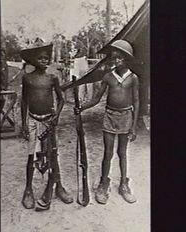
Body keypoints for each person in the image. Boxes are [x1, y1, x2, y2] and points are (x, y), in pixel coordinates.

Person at [75, 40, 139, 204]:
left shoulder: (133, 78)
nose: (116, 61)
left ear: (126, 60)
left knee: (122, 153)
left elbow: (137, 101)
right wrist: (82, 107)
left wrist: (133, 127)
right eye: (114, 58)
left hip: (126, 117)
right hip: (110, 117)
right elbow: (96, 99)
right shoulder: (108, 77)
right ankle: (104, 183)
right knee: (108, 153)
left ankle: (124, 183)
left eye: (120, 58)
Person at [20, 41, 73, 210]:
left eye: (46, 58)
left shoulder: (53, 77)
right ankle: (28, 190)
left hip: (48, 121)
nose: (44, 60)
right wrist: (24, 124)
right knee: (31, 156)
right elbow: (24, 102)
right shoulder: (27, 78)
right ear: (34, 60)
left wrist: (56, 116)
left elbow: (62, 99)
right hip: (33, 120)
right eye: (40, 58)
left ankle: (59, 187)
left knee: (53, 155)